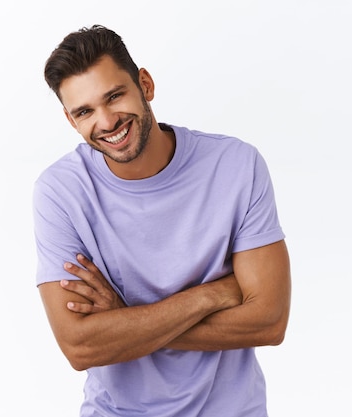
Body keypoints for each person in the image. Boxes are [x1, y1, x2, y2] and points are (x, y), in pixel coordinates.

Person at [33, 24, 291, 417]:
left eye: (115, 96)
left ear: (145, 85)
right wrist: (212, 294)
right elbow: (82, 347)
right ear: (71, 120)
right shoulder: (60, 192)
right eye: (84, 111)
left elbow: (268, 321)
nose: (106, 122)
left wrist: (123, 323)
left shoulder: (236, 165)